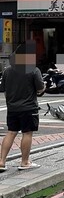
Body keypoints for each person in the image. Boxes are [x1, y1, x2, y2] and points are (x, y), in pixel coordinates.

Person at [0, 42, 45, 172]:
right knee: (27, 133)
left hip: (12, 108)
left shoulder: (7, 70)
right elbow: (40, 88)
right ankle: (24, 162)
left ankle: (2, 161)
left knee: (11, 132)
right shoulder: (33, 70)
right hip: (28, 108)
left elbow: (3, 88)